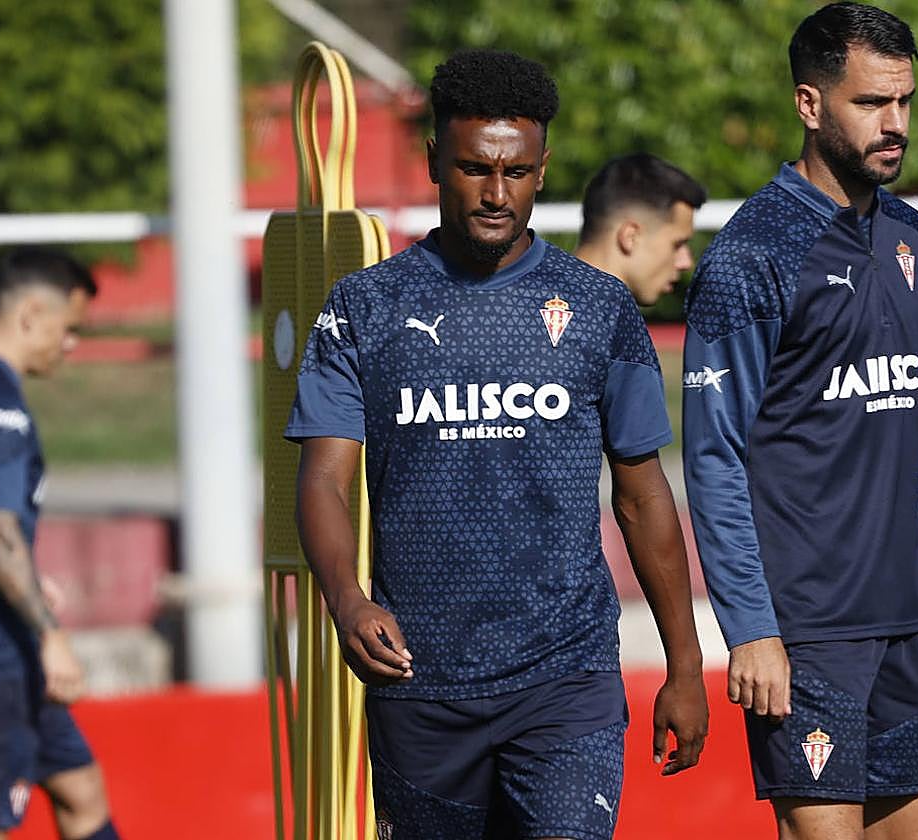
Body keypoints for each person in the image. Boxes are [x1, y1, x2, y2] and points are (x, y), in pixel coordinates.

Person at [287, 49, 707, 840]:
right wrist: (347, 598)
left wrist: (684, 666)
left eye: (515, 173)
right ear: (434, 162)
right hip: (419, 682)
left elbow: (643, 494)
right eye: (474, 168)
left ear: (542, 170)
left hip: (566, 680)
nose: (495, 193)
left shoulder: (599, 308)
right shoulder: (364, 308)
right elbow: (323, 480)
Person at [681, 4, 918, 838]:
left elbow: (914, 428)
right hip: (808, 632)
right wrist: (750, 630)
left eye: (904, 101)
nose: (896, 124)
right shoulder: (752, 256)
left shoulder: (912, 235)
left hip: (908, 619)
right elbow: (714, 458)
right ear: (810, 104)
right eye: (871, 103)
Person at [0, 247, 119, 840]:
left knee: (80, 789)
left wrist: (30, 586)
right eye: (68, 329)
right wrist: (51, 635)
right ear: (30, 314)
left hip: (9, 630)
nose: (71, 345)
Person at [574, 153, 706, 306]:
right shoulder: (574, 315)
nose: (686, 263)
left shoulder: (566, 305)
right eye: (677, 245)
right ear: (631, 237)